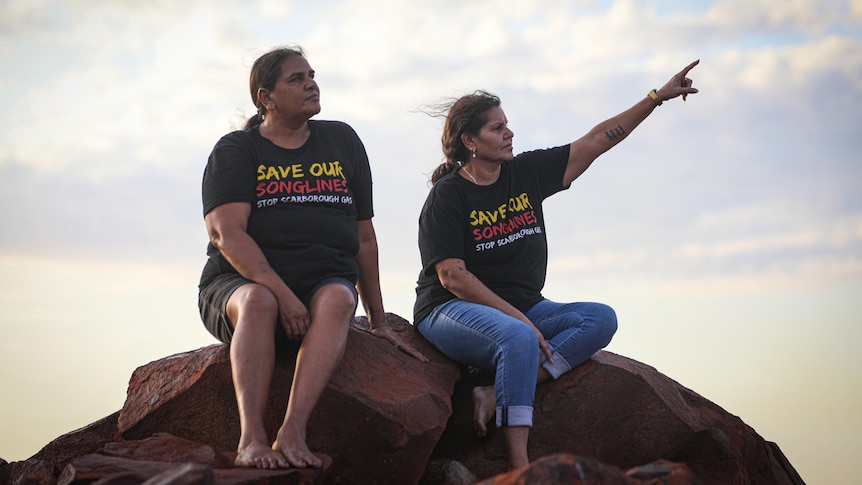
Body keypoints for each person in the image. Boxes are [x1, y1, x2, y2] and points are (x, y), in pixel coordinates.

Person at [413, 60, 699, 470]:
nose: (509, 132)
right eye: (497, 128)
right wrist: (521, 322)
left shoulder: (525, 172)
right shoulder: (449, 195)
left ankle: (497, 392)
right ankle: (519, 469)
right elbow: (452, 276)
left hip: (525, 306)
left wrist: (656, 97)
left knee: (600, 319)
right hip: (448, 310)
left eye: (507, 124)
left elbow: (597, 140)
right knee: (518, 338)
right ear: (469, 141)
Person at [198, 46, 427, 470]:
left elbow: (363, 236)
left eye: (311, 75)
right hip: (240, 285)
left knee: (339, 299)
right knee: (258, 301)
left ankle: (293, 430)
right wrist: (283, 295)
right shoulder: (236, 150)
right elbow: (225, 233)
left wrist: (378, 320)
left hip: (323, 280)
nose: (311, 84)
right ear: (266, 97)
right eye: (297, 79)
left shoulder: (341, 140)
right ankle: (251, 439)